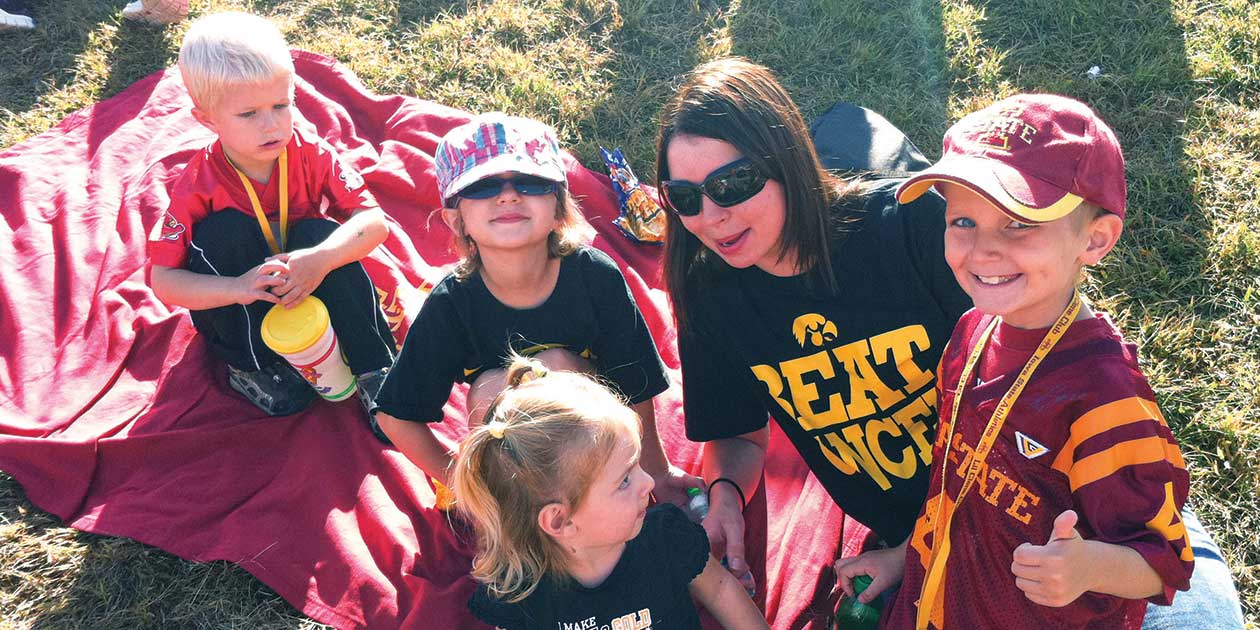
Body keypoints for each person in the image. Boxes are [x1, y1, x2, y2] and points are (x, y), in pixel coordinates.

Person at [833, 94, 1194, 628]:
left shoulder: (1105, 399)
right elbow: (957, 479)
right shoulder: (971, 329)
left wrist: (1089, 566)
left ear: (1095, 239)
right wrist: (905, 556)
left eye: (1018, 225)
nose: (983, 251)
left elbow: (1164, 560)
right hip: (939, 599)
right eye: (962, 222)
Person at [657, 57, 971, 588]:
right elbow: (736, 431)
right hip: (903, 537)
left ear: (786, 160)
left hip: (1007, 501)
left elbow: (1028, 377)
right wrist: (726, 498)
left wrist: (917, 552)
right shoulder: (710, 292)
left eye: (733, 183)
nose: (711, 217)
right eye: (685, 197)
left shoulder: (910, 225)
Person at [373, 113, 699, 504]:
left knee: (557, 363)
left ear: (559, 207)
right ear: (456, 221)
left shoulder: (594, 277)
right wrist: (466, 487)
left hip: (597, 445)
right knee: (492, 388)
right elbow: (396, 415)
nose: (508, 196)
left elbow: (636, 384)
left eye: (529, 182)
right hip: (514, 465)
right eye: (482, 186)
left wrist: (656, 473)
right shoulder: (452, 304)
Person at [146, 12, 396, 423]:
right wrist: (237, 287)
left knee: (321, 232)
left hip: (307, 276)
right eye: (248, 114)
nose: (271, 125)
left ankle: (376, 368)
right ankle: (252, 367)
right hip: (245, 291)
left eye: (282, 105)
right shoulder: (196, 183)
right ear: (207, 119)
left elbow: (374, 222)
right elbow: (164, 281)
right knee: (221, 234)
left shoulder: (310, 153)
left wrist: (322, 258)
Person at [453, 356, 769, 630]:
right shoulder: (521, 591)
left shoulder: (665, 536)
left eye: (636, 467)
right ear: (560, 521)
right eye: (624, 481)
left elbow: (720, 590)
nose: (648, 483)